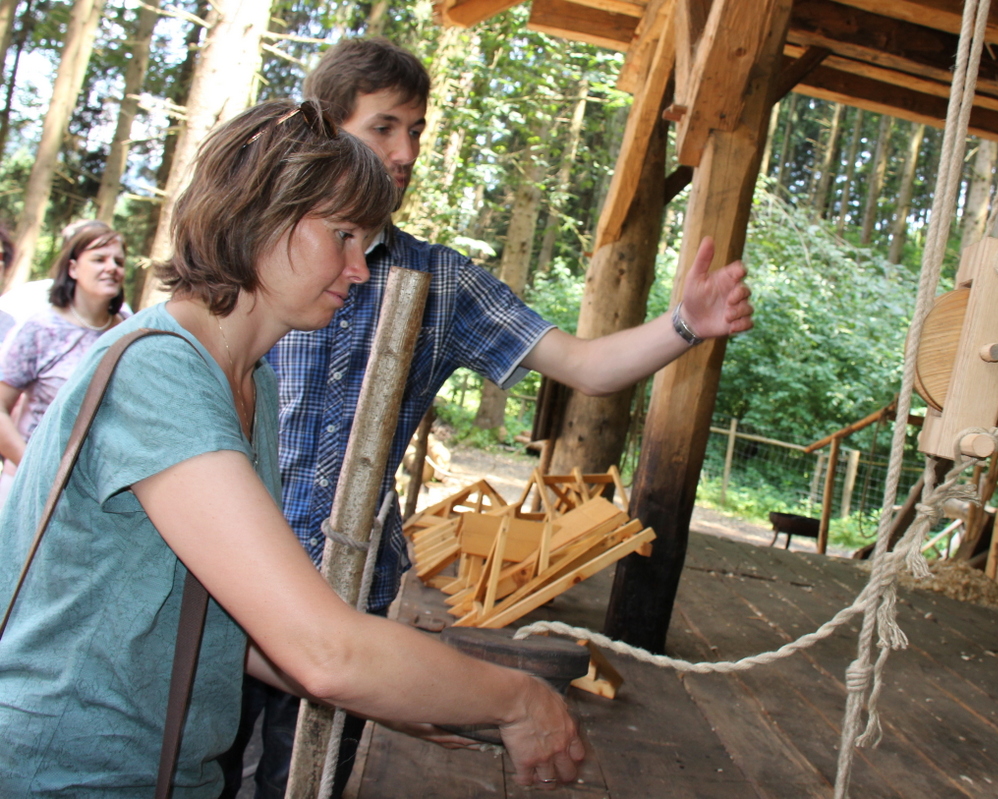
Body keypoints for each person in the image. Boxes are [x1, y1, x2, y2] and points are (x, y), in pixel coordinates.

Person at [0, 99, 584, 797]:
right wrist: (518, 698)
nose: (359, 268)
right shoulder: (161, 372)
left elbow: (242, 625)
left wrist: (395, 692)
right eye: (342, 235)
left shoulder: (252, 382)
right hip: (66, 771)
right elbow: (323, 651)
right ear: (261, 218)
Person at [223, 38, 755, 798]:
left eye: (417, 130)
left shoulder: (441, 280)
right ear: (324, 130)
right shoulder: (256, 247)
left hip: (348, 586)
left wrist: (684, 325)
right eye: (383, 127)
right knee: (200, 764)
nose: (406, 152)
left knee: (306, 779)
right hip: (231, 569)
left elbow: (586, 365)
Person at [0, 222, 129, 506]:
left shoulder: (130, 332)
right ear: (73, 268)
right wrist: (34, 466)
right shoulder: (42, 328)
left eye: (118, 262)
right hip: (29, 487)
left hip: (96, 495)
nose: (111, 268)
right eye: (99, 259)